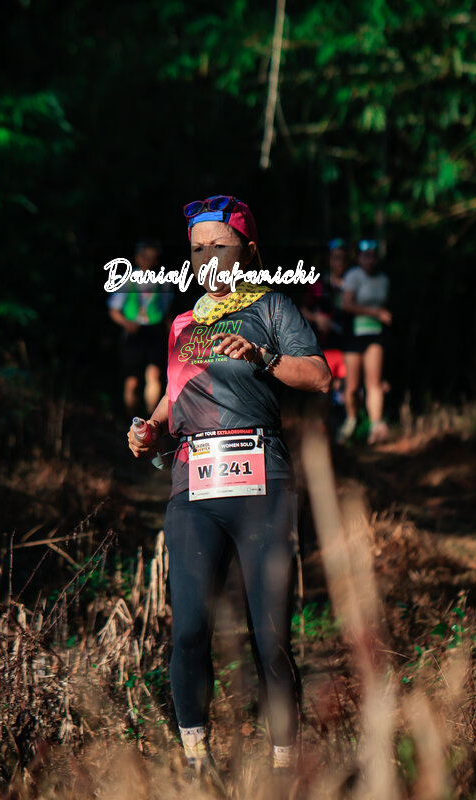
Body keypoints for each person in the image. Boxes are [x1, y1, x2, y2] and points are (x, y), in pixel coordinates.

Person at [127, 195, 331, 780]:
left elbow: (318, 376)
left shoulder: (271, 306)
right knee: (189, 629)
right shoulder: (183, 325)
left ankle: (285, 768)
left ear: (248, 250)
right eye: (197, 249)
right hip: (193, 487)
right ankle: (197, 763)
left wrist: (264, 355)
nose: (207, 258)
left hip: (262, 483)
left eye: (220, 246)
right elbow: (176, 398)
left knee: (269, 634)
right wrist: (148, 430)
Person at [107, 241, 173, 415]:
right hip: (133, 334)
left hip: (155, 332)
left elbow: (166, 311)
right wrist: (126, 323)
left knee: (154, 375)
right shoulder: (126, 280)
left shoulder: (164, 281)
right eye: (146, 257)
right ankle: (131, 420)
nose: (149, 261)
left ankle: (151, 420)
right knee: (132, 381)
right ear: (138, 258)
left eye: (153, 257)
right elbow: (113, 309)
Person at [340, 239, 392, 444]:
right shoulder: (353, 276)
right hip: (354, 334)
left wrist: (381, 315)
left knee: (374, 382)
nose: (370, 260)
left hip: (375, 334)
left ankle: (375, 425)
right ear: (359, 258)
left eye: (373, 256)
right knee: (352, 386)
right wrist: (376, 313)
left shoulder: (384, 280)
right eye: (365, 256)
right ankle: (351, 420)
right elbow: (347, 304)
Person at [300, 237, 350, 387]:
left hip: (349, 346)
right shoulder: (318, 283)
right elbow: (303, 309)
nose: (340, 262)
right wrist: (317, 318)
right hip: (324, 346)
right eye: (336, 257)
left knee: (347, 389)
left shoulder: (354, 283)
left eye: (344, 258)